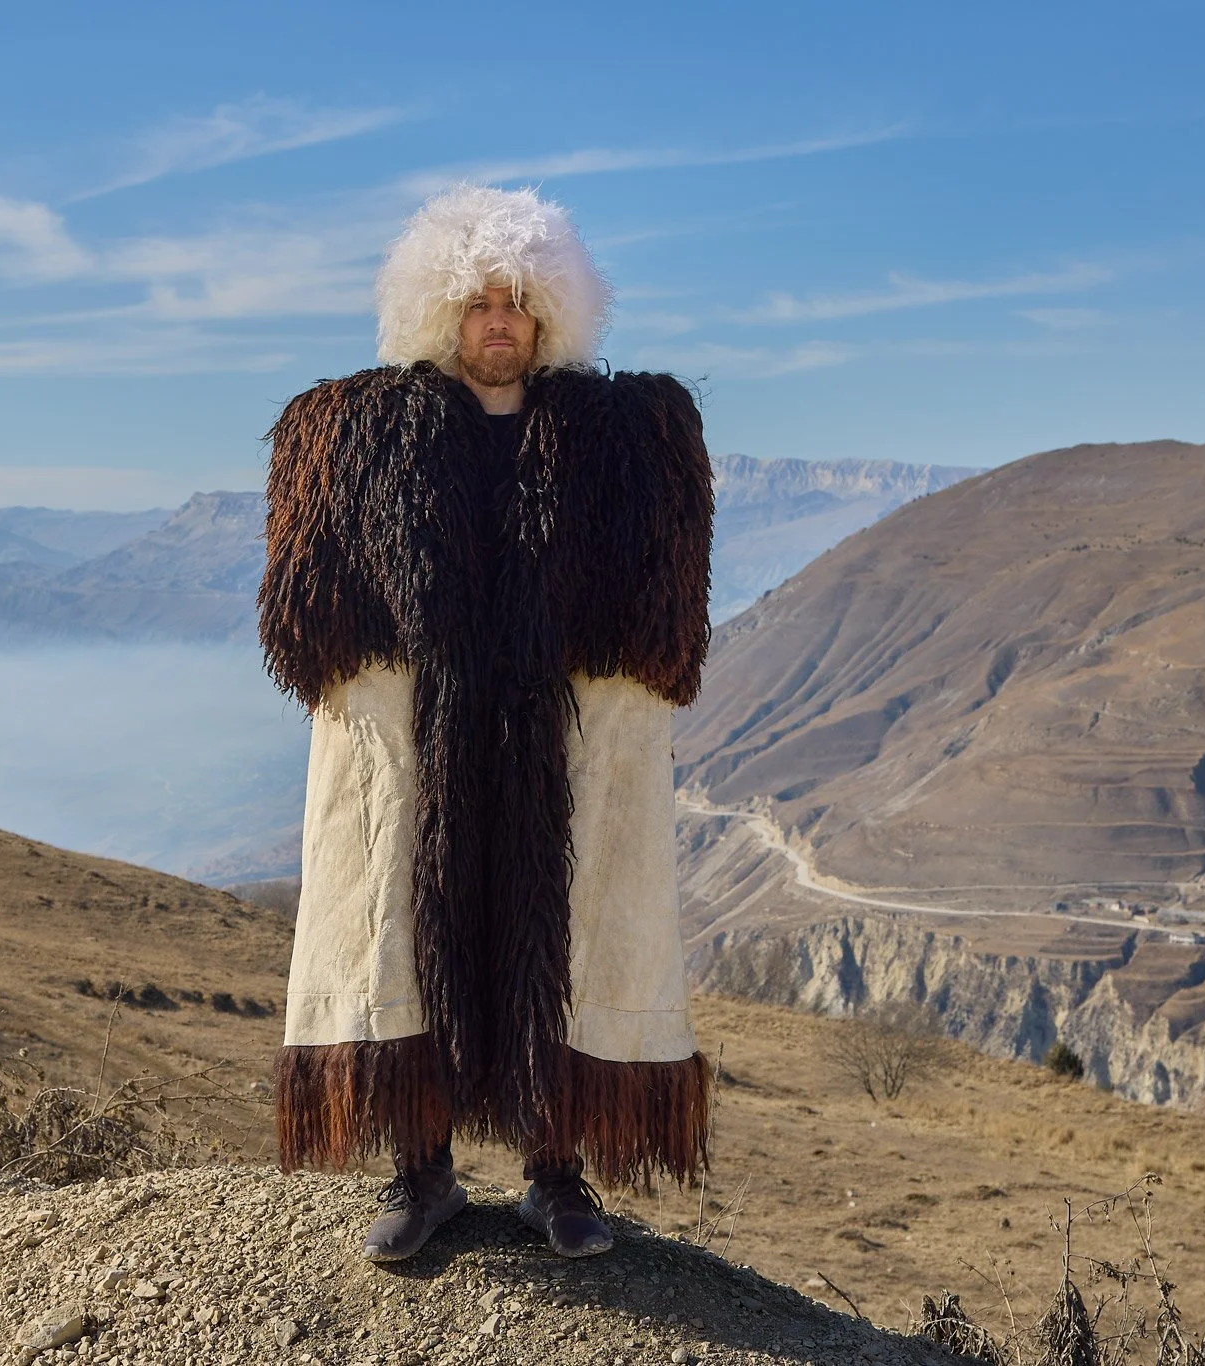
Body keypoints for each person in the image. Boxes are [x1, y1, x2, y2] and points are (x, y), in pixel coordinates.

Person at [259, 184, 715, 1262]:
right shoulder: (371, 435)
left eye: (515, 299)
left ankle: (557, 1173)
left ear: (551, 310)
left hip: (553, 739)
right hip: (427, 737)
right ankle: (418, 1172)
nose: (497, 321)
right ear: (439, 311)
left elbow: (654, 613)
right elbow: (314, 617)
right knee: (400, 926)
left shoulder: (609, 440)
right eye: (476, 302)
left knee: (565, 926)